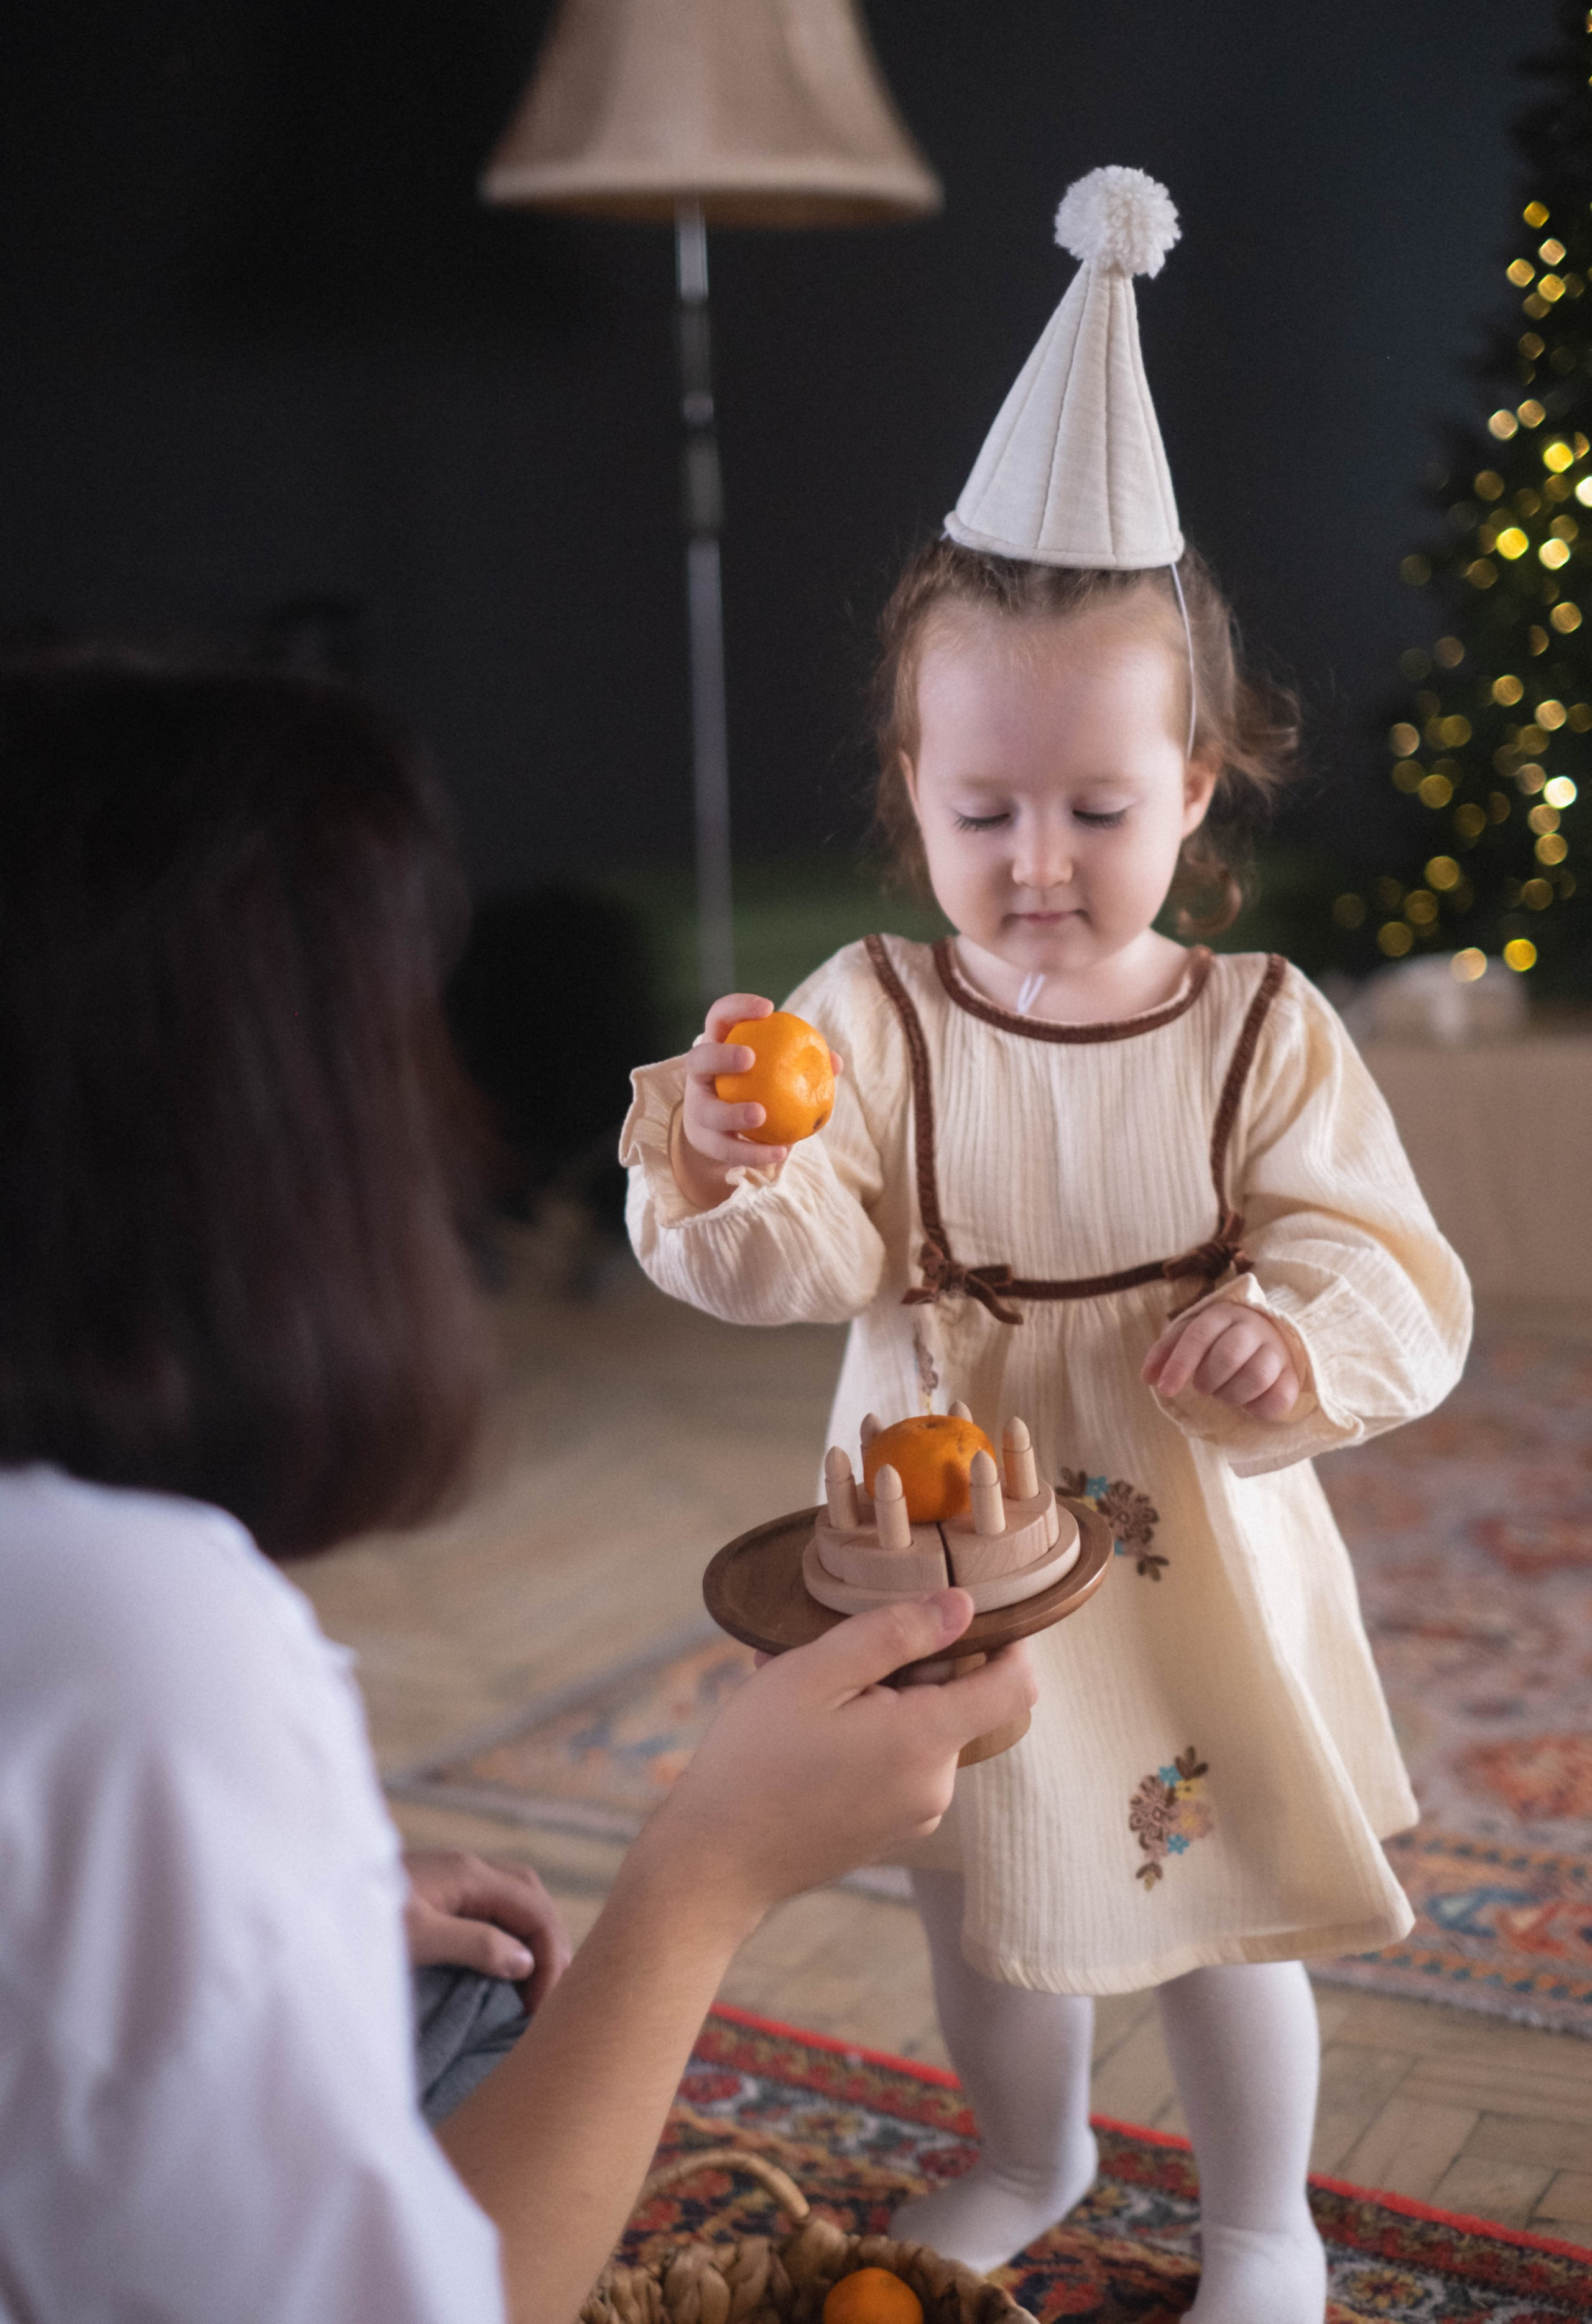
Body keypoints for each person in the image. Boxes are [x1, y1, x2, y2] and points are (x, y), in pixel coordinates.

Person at [622, 169, 1472, 2323]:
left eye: (1096, 811)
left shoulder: (1255, 1028)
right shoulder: (872, 1015)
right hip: (950, 1539)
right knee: (983, 1888)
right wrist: (733, 1157)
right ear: (909, 784)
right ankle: (1028, 2147)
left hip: (1186, 1537)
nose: (1035, 862)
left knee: (1220, 1888)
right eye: (981, 809)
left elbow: (1374, 1250)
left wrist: (1293, 1333)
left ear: (1196, 786)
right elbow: (797, 1259)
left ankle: (1263, 2217)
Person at [0, 659, 1036, 2324]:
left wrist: (304, 1904)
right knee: (506, 2033)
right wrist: (705, 1875)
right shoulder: (138, 1642)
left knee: (453, 2005)